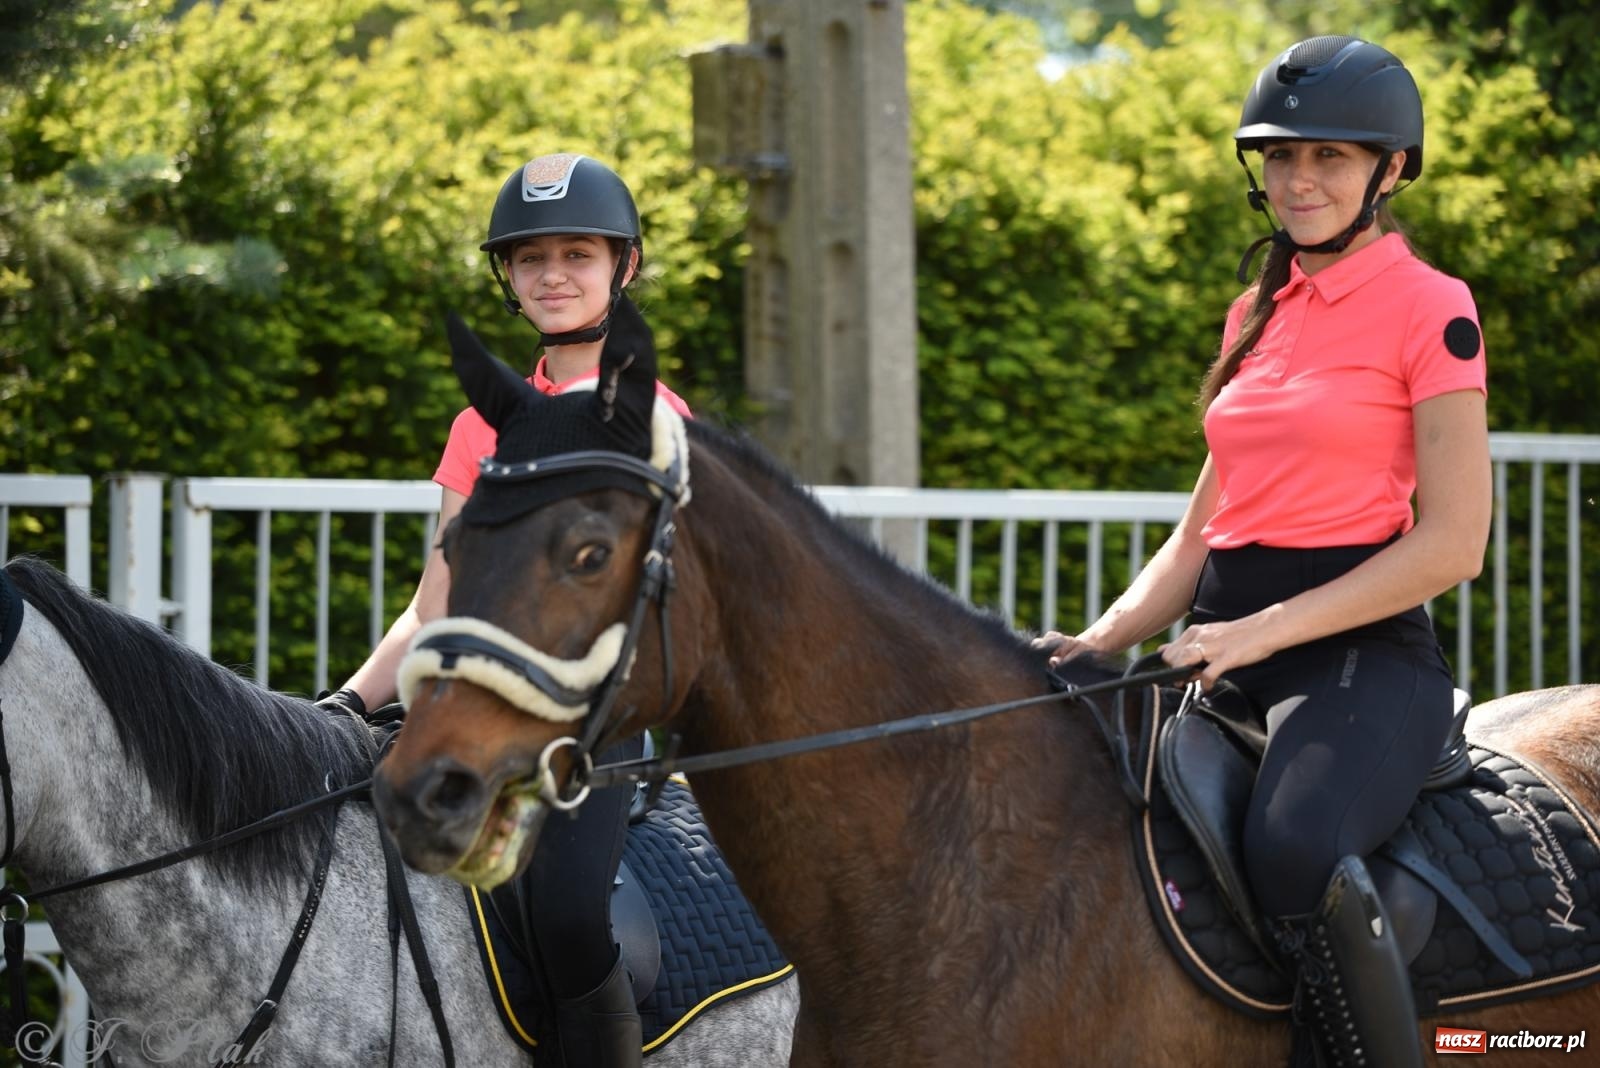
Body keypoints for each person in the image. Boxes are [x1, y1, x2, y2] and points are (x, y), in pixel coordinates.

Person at [1035, 37, 1488, 1067]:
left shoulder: (1434, 307)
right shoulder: (1255, 311)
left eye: (1330, 157)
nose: (1299, 180)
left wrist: (1260, 633)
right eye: (1281, 156)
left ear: (1390, 169)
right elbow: (1201, 532)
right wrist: (1090, 645)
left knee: (1296, 848)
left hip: (1357, 661)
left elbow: (1454, 542)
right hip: (1220, 647)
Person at [322, 152, 690, 1068]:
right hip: (469, 715)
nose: (552, 275)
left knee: (566, 919)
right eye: (531, 258)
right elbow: (434, 604)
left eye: (577, 254)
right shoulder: (478, 426)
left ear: (624, 266)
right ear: (508, 277)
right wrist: (348, 705)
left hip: (587, 728)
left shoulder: (655, 418)